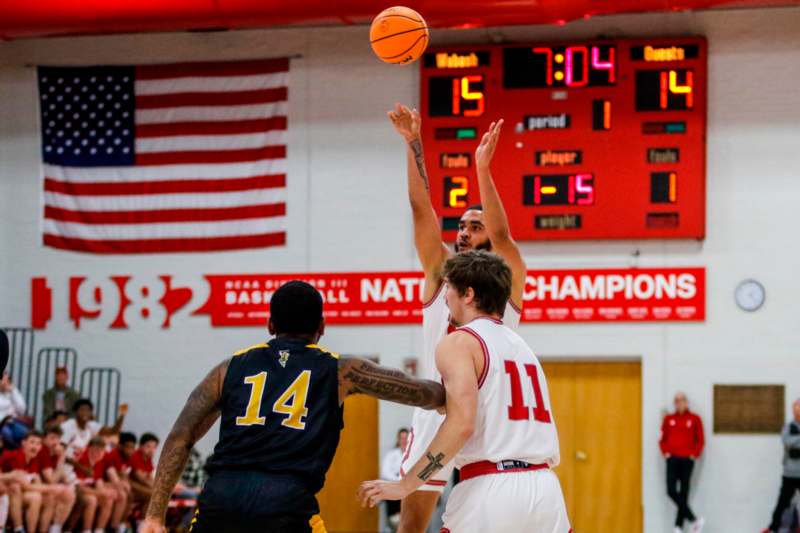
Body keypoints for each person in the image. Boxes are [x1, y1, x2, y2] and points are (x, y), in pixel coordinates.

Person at [139, 280, 445, 533]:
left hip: (222, 498)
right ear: (322, 327)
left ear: (270, 324)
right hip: (285, 501)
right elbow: (425, 394)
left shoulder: (228, 368)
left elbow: (181, 436)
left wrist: (155, 515)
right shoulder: (341, 371)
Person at [388, 104, 527, 532]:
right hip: (436, 409)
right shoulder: (440, 274)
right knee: (412, 527)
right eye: (462, 225)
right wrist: (413, 143)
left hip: (488, 415)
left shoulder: (507, 281)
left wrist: (482, 169)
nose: (463, 231)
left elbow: (502, 237)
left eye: (475, 225)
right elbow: (420, 211)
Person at [358, 251, 569, 532]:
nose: (445, 298)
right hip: (545, 491)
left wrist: (406, 485)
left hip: (492, 489)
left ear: (468, 294)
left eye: (449, 289)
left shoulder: (459, 342)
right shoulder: (523, 347)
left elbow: (462, 424)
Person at [659, 392, 705, 533]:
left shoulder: (695, 418)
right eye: (677, 401)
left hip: (687, 460)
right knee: (671, 490)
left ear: (686, 402)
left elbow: (700, 439)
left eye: (682, 400)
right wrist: (666, 453)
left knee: (684, 492)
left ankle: (677, 527)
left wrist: (694, 454)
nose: (679, 403)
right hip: (672, 459)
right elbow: (662, 438)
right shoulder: (668, 419)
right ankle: (693, 520)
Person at [762, 398, 800, 533]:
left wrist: (795, 442)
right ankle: (773, 527)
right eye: (795, 410)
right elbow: (786, 441)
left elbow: (792, 442)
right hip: (789, 473)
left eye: (799, 410)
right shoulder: (788, 427)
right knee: (782, 502)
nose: (796, 413)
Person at [381, 428, 409, 530]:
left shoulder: (413, 455)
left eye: (406, 438)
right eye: (402, 438)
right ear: (398, 440)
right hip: (394, 490)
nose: (404, 441)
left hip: (408, 491)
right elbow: (385, 472)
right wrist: (399, 481)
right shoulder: (391, 455)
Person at [0, 372, 30, 450]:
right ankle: (17, 451)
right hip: (1, 424)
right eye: (3, 380)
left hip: (13, 422)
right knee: (7, 433)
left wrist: (13, 392)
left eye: (7, 380)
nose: (6, 382)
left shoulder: (12, 391)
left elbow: (22, 410)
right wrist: (5, 419)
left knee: (26, 433)